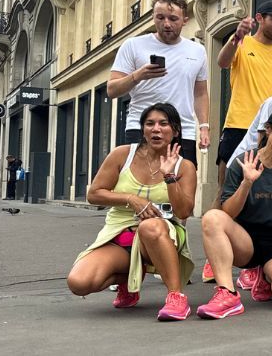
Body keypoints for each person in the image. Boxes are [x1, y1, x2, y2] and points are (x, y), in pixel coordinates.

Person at [67, 104, 197, 321]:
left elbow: (184, 212)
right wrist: (130, 199)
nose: (156, 129)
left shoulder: (185, 167)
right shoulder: (122, 155)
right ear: (143, 130)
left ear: (175, 131)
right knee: (79, 283)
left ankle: (176, 297)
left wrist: (169, 177)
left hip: (162, 233)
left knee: (150, 226)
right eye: (150, 124)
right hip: (119, 234)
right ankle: (130, 278)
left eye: (163, 124)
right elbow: (94, 194)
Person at [196, 106, 272, 319]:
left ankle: (267, 277)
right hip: (246, 241)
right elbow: (228, 211)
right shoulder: (243, 163)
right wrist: (246, 183)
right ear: (268, 128)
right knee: (212, 218)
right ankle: (227, 294)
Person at [210, 0, 272, 283]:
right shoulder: (243, 43)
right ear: (260, 18)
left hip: (270, 130)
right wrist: (236, 36)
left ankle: (259, 259)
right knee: (226, 186)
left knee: (262, 189)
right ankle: (216, 255)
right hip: (238, 124)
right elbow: (222, 62)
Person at [108, 0, 210, 163]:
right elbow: (111, 90)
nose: (166, 24)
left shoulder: (197, 50)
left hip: (182, 130)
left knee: (180, 185)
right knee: (140, 185)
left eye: (173, 18)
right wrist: (137, 76)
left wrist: (204, 127)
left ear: (185, 20)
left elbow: (200, 93)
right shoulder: (133, 45)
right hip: (141, 128)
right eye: (160, 18)